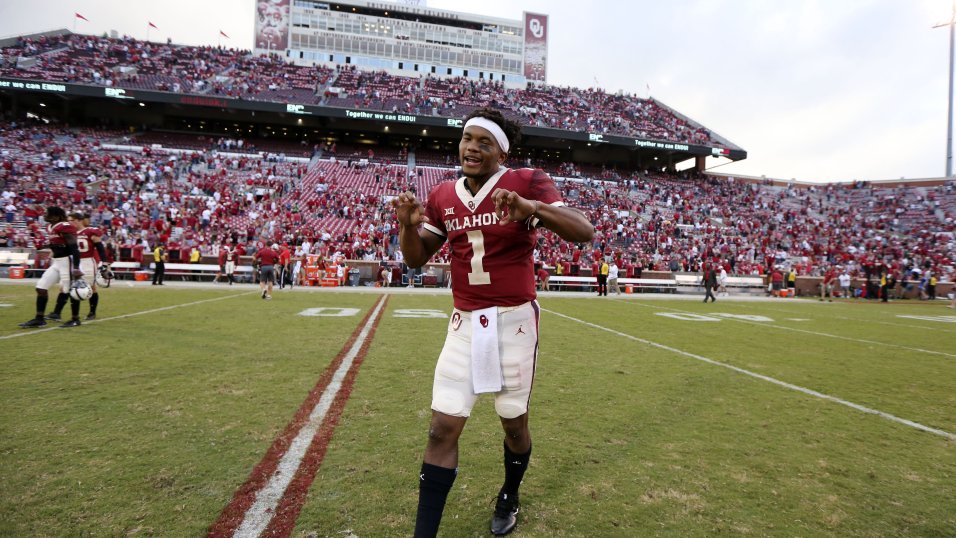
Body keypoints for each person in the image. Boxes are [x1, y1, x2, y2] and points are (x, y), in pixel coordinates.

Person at [393, 107, 593, 537]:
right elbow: (414, 259)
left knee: (513, 422)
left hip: (514, 322)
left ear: (502, 152)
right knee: (442, 426)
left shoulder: (525, 182)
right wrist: (406, 227)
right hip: (465, 322)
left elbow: (584, 231)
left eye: (485, 142)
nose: (472, 147)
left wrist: (531, 207)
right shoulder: (443, 195)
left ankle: (510, 492)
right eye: (468, 138)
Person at [19, 206, 85, 328]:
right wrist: (44, 245)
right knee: (41, 287)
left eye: (47, 213)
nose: (44, 215)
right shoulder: (51, 227)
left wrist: (76, 267)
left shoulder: (65, 226)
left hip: (67, 261)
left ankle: (75, 319)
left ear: (55, 216)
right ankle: (39, 319)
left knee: (70, 290)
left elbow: (74, 248)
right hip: (57, 262)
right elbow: (56, 242)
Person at [47, 212, 108, 321]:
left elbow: (100, 248)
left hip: (87, 262)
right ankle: (56, 313)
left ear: (78, 220)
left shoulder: (90, 232)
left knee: (91, 288)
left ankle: (91, 312)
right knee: (64, 287)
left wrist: (104, 263)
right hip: (73, 261)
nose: (68, 223)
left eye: (71, 220)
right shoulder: (68, 232)